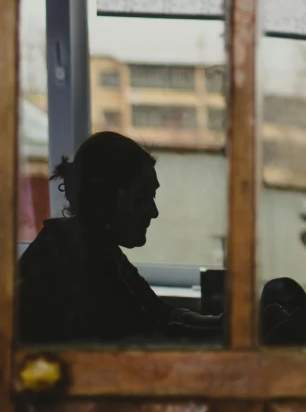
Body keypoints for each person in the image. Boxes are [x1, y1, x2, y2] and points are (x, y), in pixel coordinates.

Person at [19, 131, 221, 343]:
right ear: (104, 198)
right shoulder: (73, 258)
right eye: (142, 197)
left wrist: (222, 322)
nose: (154, 211)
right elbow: (148, 337)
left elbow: (161, 312)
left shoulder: (95, 246)